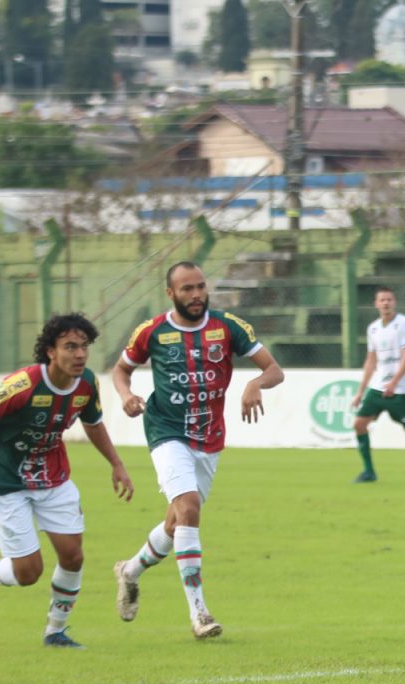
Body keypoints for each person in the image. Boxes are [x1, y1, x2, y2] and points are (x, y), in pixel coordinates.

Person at [111, 261, 285, 639]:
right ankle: (199, 613)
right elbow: (120, 370)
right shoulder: (152, 331)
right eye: (187, 289)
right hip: (165, 430)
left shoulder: (228, 327)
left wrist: (256, 382)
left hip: (209, 437)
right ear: (170, 293)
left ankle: (130, 571)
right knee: (189, 508)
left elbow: (274, 369)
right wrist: (126, 396)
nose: (196, 295)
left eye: (201, 287)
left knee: (177, 524)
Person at [0, 313, 134, 648]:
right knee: (28, 573)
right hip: (7, 478)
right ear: (50, 351)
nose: (79, 354)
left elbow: (93, 424)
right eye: (70, 347)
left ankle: (55, 632)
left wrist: (116, 463)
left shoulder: (86, 384)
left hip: (52, 476)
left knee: (73, 556)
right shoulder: (23, 384)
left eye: (84, 347)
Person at [350, 285, 405, 483]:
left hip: (402, 390)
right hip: (378, 388)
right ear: (376, 304)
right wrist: (360, 391)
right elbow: (371, 361)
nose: (386, 303)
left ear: (395, 302)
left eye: (389, 300)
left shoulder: (404, 324)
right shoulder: (373, 328)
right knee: (359, 424)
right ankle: (369, 472)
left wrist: (394, 382)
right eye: (382, 300)